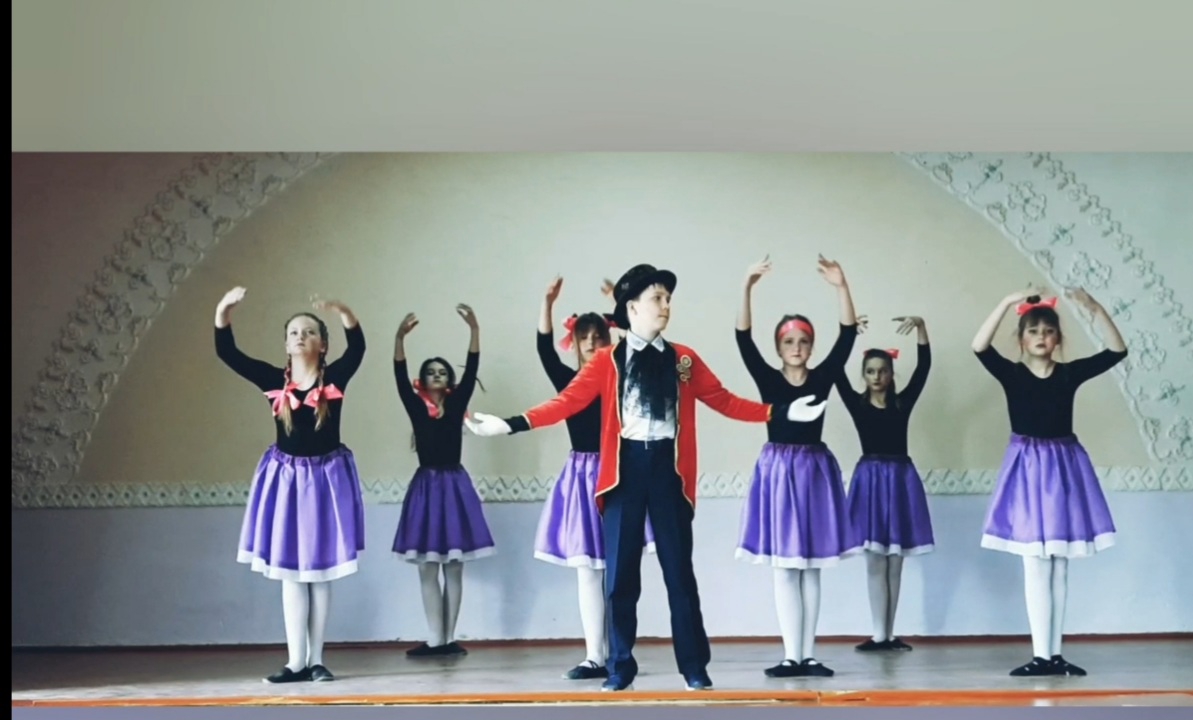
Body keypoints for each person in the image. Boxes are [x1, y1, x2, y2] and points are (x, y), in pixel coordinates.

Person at [464, 263, 828, 693]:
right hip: (624, 471)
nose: (666, 305)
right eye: (657, 298)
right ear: (632, 307)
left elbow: (724, 400)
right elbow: (566, 402)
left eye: (668, 299)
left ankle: (694, 667)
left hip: (668, 472)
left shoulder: (684, 359)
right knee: (620, 578)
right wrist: (509, 424)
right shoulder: (606, 361)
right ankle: (620, 667)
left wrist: (780, 412)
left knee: (680, 575)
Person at [971, 287, 1127, 677]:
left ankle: (1053, 654)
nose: (1041, 336)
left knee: (1059, 563)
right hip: (1027, 471)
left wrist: (1094, 308)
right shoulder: (1012, 374)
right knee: (1035, 563)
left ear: (1058, 338)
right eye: (1033, 331)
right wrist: (1006, 302)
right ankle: (1041, 655)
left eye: (1048, 330)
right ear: (1022, 339)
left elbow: (1116, 351)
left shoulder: (1068, 374)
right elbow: (979, 346)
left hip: (1063, 470)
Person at [214, 287, 366, 684]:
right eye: (294, 332)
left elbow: (358, 348)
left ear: (323, 344)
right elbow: (228, 353)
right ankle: (296, 661)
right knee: (291, 574)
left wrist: (343, 310)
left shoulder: (335, 379)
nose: (301, 337)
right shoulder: (272, 380)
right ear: (286, 344)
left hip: (325, 480)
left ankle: (316, 660)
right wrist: (223, 311)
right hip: (288, 481)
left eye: (310, 332)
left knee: (320, 572)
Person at [733, 255, 863, 678]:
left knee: (811, 565)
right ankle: (791, 655)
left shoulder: (823, 377)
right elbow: (742, 339)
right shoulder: (768, 380)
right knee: (786, 566)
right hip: (778, 473)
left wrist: (841, 286)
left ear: (811, 347)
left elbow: (847, 335)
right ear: (779, 348)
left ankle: (807, 655)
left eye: (803, 342)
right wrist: (746, 288)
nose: (796, 348)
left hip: (813, 473)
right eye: (789, 342)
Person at [533, 275, 657, 681]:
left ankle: (620, 654)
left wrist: (621, 306)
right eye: (584, 337)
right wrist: (547, 304)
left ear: (609, 339)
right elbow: (543, 349)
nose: (591, 342)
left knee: (619, 571)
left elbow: (644, 343)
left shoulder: (624, 376)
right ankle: (594, 656)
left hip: (618, 474)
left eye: (598, 335)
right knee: (588, 571)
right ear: (575, 343)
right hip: (582, 478)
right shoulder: (568, 381)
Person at [391, 304, 494, 657]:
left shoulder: (457, 402)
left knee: (454, 567)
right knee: (427, 568)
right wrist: (399, 340)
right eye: (431, 372)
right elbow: (399, 377)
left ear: (450, 380)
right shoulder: (415, 406)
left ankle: (448, 639)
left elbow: (473, 368)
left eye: (442, 372)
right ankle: (436, 639)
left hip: (453, 487)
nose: (437, 376)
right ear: (423, 379)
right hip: (426, 488)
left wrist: (474, 331)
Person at [833, 316, 934, 653]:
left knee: (895, 561)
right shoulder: (857, 404)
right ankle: (878, 635)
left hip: (900, 480)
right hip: (870, 482)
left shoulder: (902, 403)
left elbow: (923, 370)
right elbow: (834, 371)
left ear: (891, 374)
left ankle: (889, 635)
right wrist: (846, 334)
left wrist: (921, 329)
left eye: (882, 371)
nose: (876, 377)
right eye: (870, 371)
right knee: (876, 561)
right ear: (864, 375)